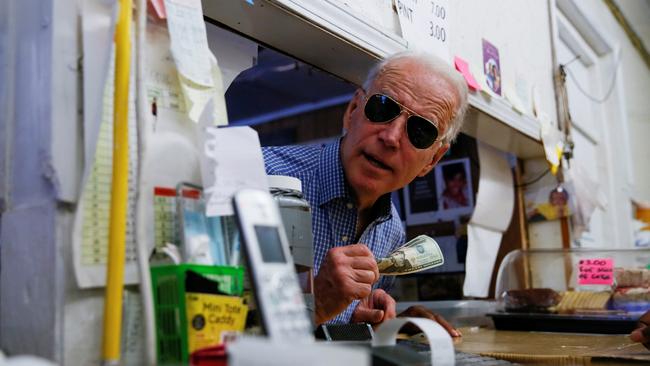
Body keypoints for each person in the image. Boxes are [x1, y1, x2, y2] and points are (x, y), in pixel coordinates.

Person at [263, 51, 468, 336]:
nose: (391, 137)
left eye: (420, 131)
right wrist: (318, 303)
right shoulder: (261, 179)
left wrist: (368, 321)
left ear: (432, 160)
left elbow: (322, 336)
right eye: (383, 108)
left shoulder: (392, 231)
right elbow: (207, 326)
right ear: (352, 110)